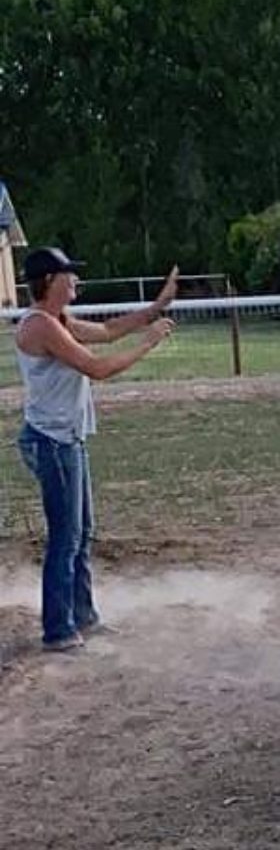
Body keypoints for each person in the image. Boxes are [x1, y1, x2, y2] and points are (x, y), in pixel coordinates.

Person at [14, 247, 178, 652]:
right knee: (66, 538)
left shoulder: (58, 320)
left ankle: (82, 617)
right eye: (69, 274)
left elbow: (107, 330)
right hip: (52, 442)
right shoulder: (41, 326)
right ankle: (58, 630)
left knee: (81, 533)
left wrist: (156, 307)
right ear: (49, 281)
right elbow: (98, 367)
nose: (75, 281)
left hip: (67, 437)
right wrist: (150, 342)